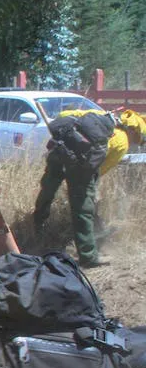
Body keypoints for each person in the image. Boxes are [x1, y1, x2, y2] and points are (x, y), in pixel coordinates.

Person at [33, 108, 146, 267]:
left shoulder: (101, 115)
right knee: (83, 210)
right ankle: (89, 256)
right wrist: (89, 190)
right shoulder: (122, 143)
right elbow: (99, 170)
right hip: (80, 165)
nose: (137, 143)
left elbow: (65, 115)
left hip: (59, 151)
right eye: (140, 139)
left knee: (47, 191)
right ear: (135, 131)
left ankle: (37, 226)